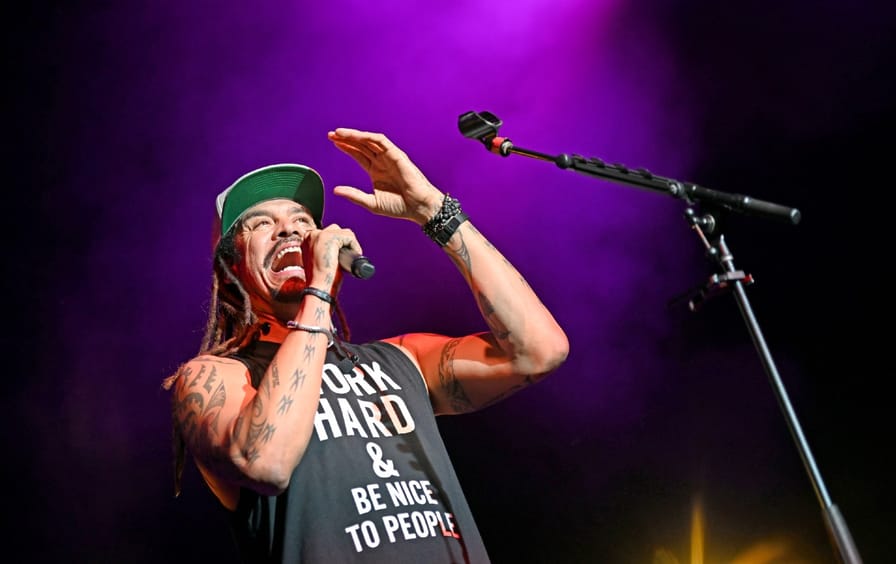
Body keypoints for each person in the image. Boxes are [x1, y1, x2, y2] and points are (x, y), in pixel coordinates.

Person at [163, 127, 569, 563]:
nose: (289, 230)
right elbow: (267, 463)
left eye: (303, 221)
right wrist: (319, 289)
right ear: (230, 267)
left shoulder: (402, 359)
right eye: (262, 223)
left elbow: (538, 351)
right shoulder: (214, 377)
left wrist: (435, 212)